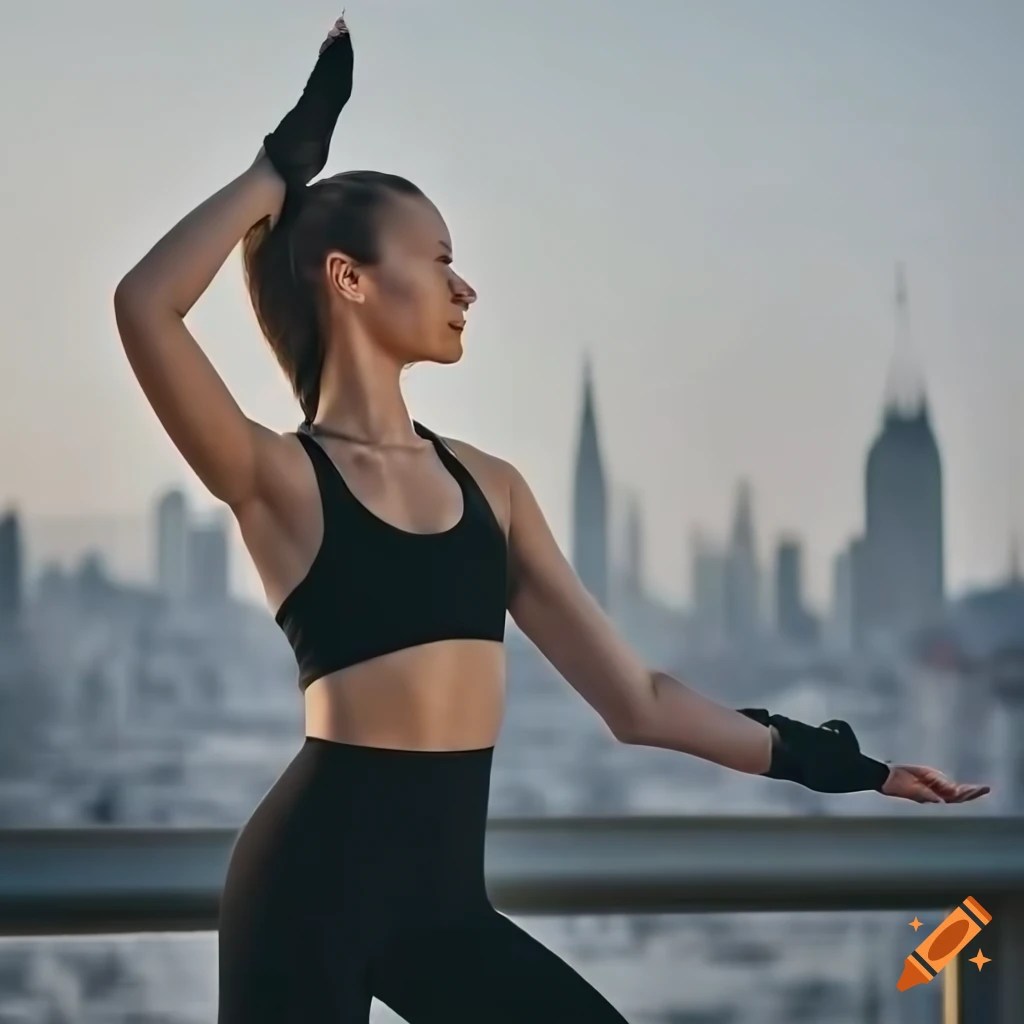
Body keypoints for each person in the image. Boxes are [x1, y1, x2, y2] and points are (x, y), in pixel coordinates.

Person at [112, 15, 990, 1024]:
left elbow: (638, 701)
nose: (465, 286)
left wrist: (850, 768)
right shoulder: (279, 478)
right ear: (349, 279)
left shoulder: (494, 487)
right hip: (303, 894)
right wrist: (280, 167)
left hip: (445, 908)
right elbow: (144, 305)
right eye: (437, 259)